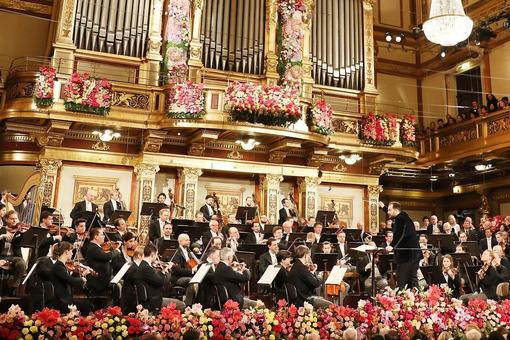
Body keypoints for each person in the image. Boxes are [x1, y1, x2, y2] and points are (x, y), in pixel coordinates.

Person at [379, 201, 422, 289]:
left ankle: (404, 300)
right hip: (413, 254)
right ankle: (415, 299)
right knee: (412, 279)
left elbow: (399, 234)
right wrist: (384, 207)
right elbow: (393, 213)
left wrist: (392, 245)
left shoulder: (400, 219)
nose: (388, 212)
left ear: (395, 210)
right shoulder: (403, 217)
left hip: (407, 255)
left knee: (403, 281)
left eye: (389, 210)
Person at [49, 241, 94, 314]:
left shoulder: (61, 265)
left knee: (89, 305)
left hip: (66, 299)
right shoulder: (58, 267)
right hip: (61, 302)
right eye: (71, 251)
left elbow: (67, 279)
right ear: (66, 252)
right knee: (89, 306)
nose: (72, 253)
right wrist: (82, 276)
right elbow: (71, 281)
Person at [139, 244, 185, 312]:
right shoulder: (146, 268)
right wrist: (165, 272)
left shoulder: (144, 265)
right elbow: (161, 282)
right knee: (181, 305)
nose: (157, 257)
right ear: (152, 254)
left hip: (153, 298)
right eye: (156, 254)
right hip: (153, 301)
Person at [85, 227, 118, 296]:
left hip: (103, 280)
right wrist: (117, 251)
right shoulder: (93, 248)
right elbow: (107, 257)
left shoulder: (96, 247)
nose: (104, 236)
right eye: (102, 234)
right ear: (96, 237)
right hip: (98, 282)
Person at [0, 210, 26, 294]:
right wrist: (2, 236)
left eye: (16, 218)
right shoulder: (1, 230)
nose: (15, 221)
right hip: (1, 256)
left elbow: (24, 243)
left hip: (13, 257)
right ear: (6, 219)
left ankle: (14, 288)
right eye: (12, 219)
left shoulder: (19, 232)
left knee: (21, 263)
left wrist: (23, 234)